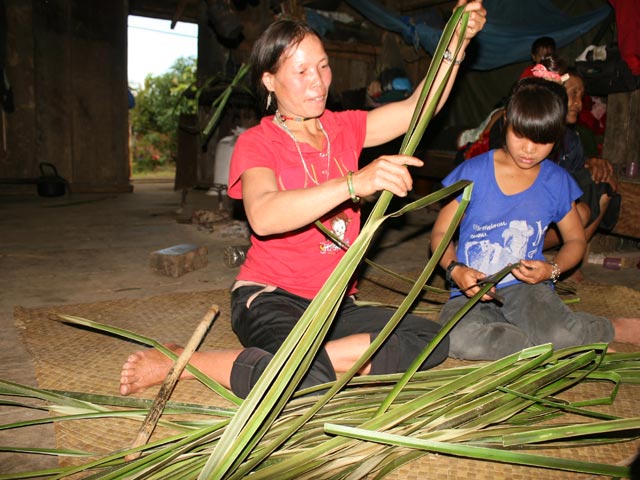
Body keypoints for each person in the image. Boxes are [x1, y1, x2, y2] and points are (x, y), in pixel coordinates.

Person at [119, 2, 487, 399]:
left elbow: (419, 109)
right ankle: (188, 362)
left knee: (430, 338)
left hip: (334, 305)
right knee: (305, 383)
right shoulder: (258, 143)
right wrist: (353, 183)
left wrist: (456, 43)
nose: (319, 82)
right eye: (301, 71)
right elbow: (262, 215)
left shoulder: (343, 127)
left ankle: (304, 364)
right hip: (271, 299)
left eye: (323, 66)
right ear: (270, 81)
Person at [430, 77, 639, 361]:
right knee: (455, 339)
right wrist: (455, 270)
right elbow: (440, 234)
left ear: (557, 137)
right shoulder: (473, 172)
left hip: (527, 289)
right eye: (521, 136)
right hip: (472, 293)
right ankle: (553, 341)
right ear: (506, 121)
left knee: (556, 333)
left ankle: (599, 329)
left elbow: (576, 240)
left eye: (543, 141)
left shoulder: (555, 181)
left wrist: (551, 270)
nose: (529, 149)